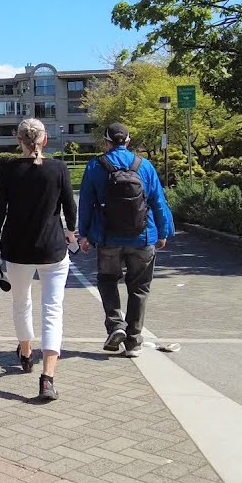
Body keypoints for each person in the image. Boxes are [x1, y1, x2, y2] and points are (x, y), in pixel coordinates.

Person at [0, 119, 77, 401]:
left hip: (18, 250)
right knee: (53, 310)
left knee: (21, 303)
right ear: (45, 140)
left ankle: (25, 353)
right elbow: (70, 208)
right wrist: (71, 235)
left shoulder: (9, 170)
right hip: (52, 249)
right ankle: (48, 378)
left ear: (19, 140)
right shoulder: (59, 169)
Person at [77, 122, 175, 358]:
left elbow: (86, 203)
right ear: (128, 141)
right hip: (142, 237)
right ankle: (133, 342)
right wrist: (163, 232)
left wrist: (84, 235)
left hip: (108, 237)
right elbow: (158, 201)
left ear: (106, 142)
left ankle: (115, 326)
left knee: (108, 281)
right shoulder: (145, 166)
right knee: (139, 288)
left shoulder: (95, 166)